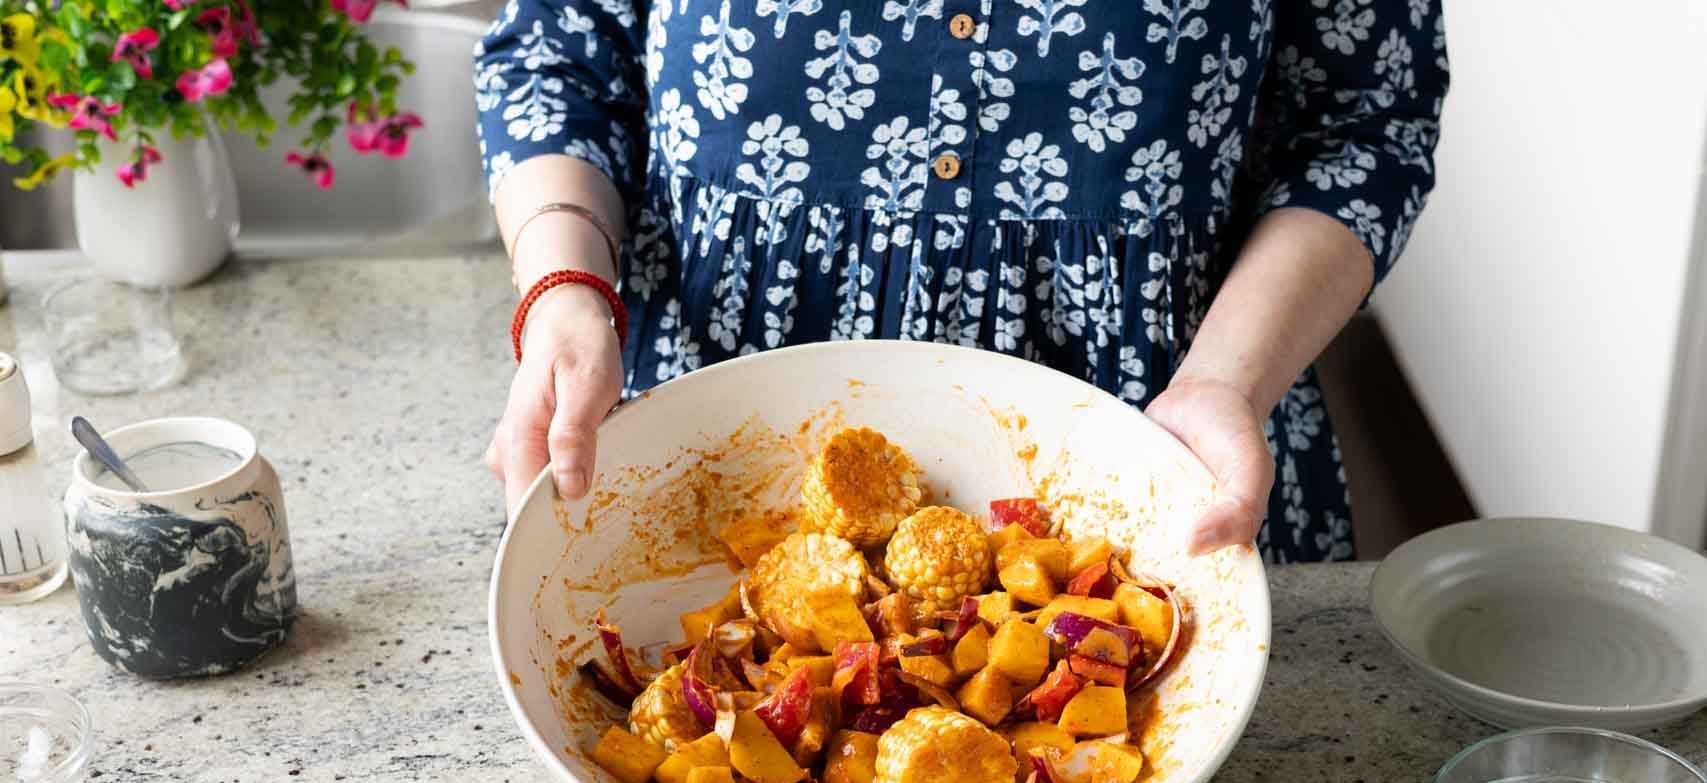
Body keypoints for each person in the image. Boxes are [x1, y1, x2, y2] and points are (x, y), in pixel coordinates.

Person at [476, 1, 1448, 563]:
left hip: (1160, 447)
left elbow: (1361, 130)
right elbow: (558, 58)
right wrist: (563, 287)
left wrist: (1228, 379)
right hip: (703, 462)